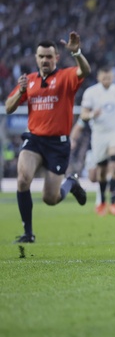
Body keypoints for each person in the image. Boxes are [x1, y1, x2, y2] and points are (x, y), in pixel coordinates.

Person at [5, 32, 91, 243]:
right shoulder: (30, 81)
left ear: (56, 58)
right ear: (36, 58)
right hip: (34, 140)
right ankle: (28, 233)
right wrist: (20, 92)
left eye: (49, 57)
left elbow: (85, 71)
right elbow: (8, 107)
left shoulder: (66, 77)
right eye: (41, 56)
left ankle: (70, 182)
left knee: (50, 198)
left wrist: (77, 53)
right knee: (23, 178)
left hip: (58, 144)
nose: (45, 60)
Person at [80, 66, 115, 216]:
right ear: (98, 77)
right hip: (99, 135)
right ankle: (103, 202)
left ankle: (114, 203)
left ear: (113, 77)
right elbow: (83, 115)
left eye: (109, 78)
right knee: (101, 173)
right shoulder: (91, 93)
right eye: (104, 78)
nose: (106, 81)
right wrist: (91, 114)